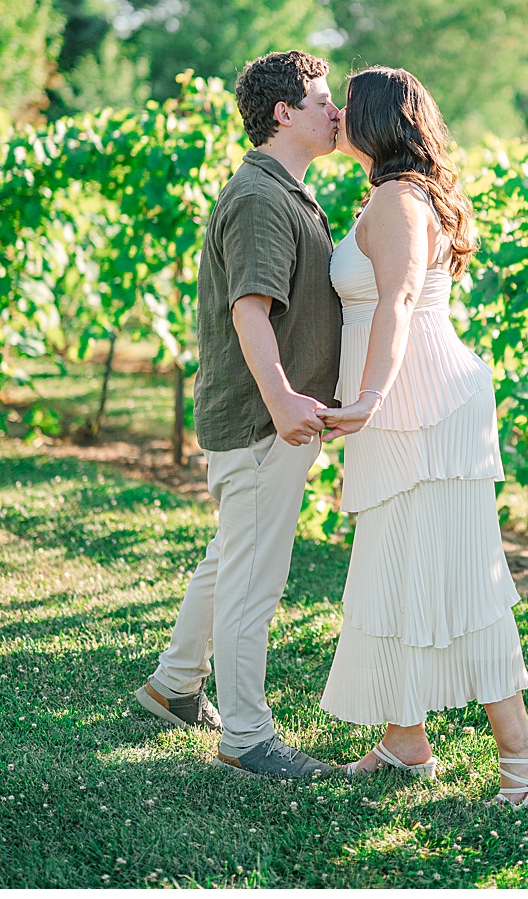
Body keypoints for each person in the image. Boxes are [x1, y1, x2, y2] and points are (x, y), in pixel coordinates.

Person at [316, 66, 528, 807]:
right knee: (396, 565)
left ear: (373, 120)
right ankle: (406, 738)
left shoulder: (398, 200)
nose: (334, 113)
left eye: (345, 105)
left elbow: (395, 303)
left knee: (460, 575)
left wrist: (367, 394)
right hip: (409, 400)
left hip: (416, 402)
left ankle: (520, 743)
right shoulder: (389, 195)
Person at [136, 49, 342, 779]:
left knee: (231, 557)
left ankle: (173, 685)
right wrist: (285, 397)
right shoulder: (260, 197)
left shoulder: (285, 189)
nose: (336, 111)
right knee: (255, 577)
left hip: (267, 418)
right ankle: (248, 736)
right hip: (262, 419)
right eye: (323, 99)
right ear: (283, 112)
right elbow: (250, 310)